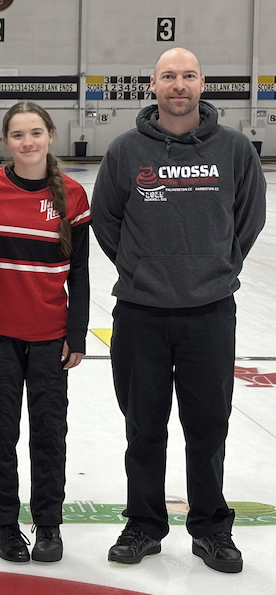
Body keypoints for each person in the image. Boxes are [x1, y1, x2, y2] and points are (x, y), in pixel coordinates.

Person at [92, 47, 266, 574]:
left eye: (188, 75)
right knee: (144, 425)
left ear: (202, 83)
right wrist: (143, 267)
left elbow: (250, 217)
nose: (179, 84)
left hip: (209, 311)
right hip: (141, 311)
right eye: (169, 76)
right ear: (153, 85)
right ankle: (143, 525)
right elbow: (106, 220)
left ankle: (211, 527)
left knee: (209, 424)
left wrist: (214, 265)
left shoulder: (235, 149)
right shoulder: (125, 151)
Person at [0, 101, 90, 564]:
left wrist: (75, 334)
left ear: (51, 136)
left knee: (48, 433)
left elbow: (79, 272)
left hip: (48, 338)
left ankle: (49, 525)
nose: (27, 142)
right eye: (18, 135)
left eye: (35, 133)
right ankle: (4, 524)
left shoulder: (73, 196)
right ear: (6, 143)